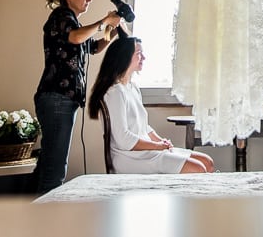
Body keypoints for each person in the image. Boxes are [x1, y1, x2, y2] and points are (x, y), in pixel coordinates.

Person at [34, 0, 123, 194]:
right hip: (57, 96)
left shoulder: (74, 23)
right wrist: (103, 21)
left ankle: (36, 206)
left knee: (51, 160)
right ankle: (47, 213)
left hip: (64, 99)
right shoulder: (61, 17)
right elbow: (75, 38)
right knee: (55, 164)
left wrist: (110, 31)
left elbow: (93, 47)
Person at [88, 36, 215, 174]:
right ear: (124, 57)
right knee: (198, 169)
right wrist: (156, 146)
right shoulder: (114, 93)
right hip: (130, 158)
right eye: (139, 54)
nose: (144, 57)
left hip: (147, 152)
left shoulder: (132, 88)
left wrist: (162, 143)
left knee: (207, 162)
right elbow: (123, 139)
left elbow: (144, 127)